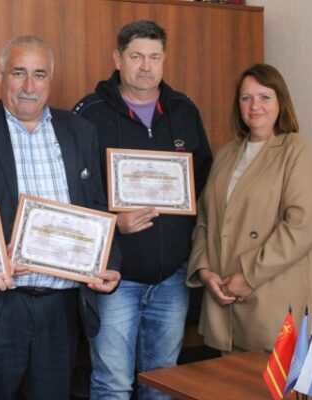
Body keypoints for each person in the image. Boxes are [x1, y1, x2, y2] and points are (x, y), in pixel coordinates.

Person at [0, 35, 121, 400]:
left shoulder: (80, 131)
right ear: (0, 74)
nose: (28, 86)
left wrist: (109, 263)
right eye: (18, 72)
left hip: (60, 310)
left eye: (39, 75)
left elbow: (97, 207)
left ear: (50, 78)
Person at [73, 20, 213, 399]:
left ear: (164, 60)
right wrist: (114, 223)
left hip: (172, 278)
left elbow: (203, 180)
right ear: (117, 59)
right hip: (115, 279)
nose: (146, 67)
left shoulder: (184, 110)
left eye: (155, 57)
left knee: (164, 383)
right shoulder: (89, 112)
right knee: (112, 384)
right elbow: (73, 195)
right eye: (136, 57)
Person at [186, 63, 312, 353]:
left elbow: (301, 227)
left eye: (264, 97)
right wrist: (205, 270)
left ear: (281, 101)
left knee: (279, 380)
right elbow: (204, 220)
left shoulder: (296, 150)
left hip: (273, 296)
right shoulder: (226, 154)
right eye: (246, 98)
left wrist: (248, 276)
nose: (254, 106)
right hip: (224, 297)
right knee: (229, 380)